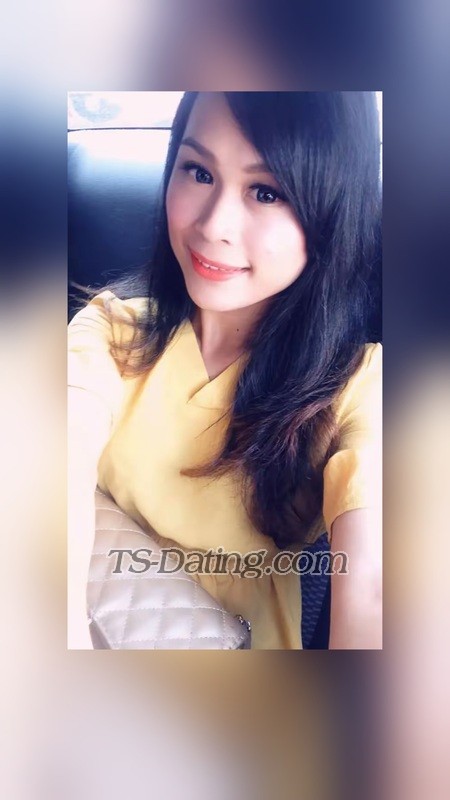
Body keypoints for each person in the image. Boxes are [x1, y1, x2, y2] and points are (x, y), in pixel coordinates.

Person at [68, 91, 382, 649]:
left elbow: (375, 587)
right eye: (198, 171)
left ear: (332, 210)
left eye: (266, 192)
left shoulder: (359, 384)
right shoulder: (112, 330)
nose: (214, 225)